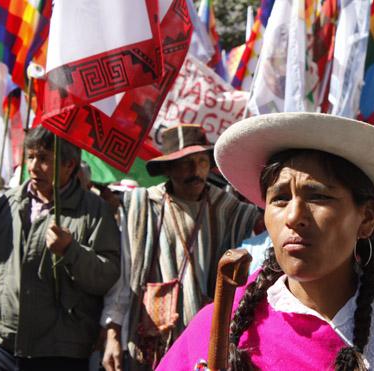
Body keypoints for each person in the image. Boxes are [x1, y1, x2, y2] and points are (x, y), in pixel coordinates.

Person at [158, 112, 374, 370]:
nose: (294, 216)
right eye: (279, 199)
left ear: (366, 219)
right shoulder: (218, 325)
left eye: (318, 196)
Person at [101, 124, 261, 370]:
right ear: (168, 168)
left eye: (202, 162)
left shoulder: (227, 209)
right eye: (185, 163)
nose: (196, 171)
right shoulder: (142, 205)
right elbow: (124, 278)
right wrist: (113, 333)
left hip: (204, 341)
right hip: (149, 341)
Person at [0, 126, 120, 370]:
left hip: (59, 349)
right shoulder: (9, 203)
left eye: (44, 159)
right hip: (1, 342)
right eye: (30, 156)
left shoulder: (95, 211)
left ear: (69, 165)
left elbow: (106, 276)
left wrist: (71, 251)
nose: (33, 167)